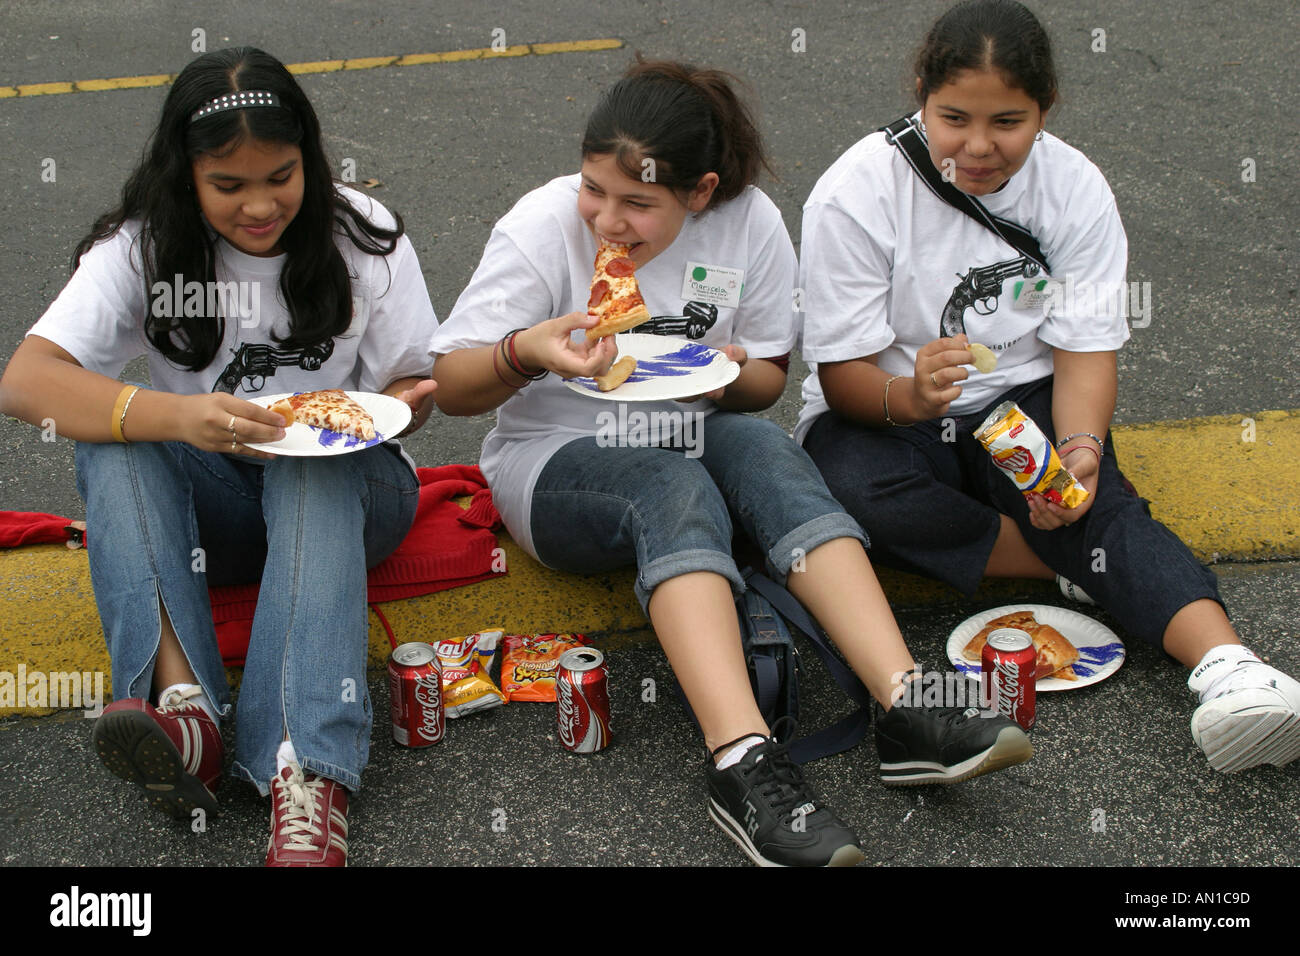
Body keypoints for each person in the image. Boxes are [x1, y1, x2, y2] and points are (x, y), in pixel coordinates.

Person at [430, 57, 1032, 868]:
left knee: (767, 450)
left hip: (685, 426)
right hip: (551, 458)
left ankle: (905, 703)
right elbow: (453, 385)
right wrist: (524, 351)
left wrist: (729, 371)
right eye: (594, 190)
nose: (608, 220)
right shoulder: (543, 226)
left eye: (639, 204)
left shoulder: (749, 225)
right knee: (669, 483)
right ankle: (742, 762)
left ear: (702, 192)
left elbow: (765, 385)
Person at [796, 0, 1300, 774]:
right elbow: (841, 377)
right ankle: (1079, 563)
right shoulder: (855, 192)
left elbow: (1085, 351)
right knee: (850, 484)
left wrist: (1081, 449)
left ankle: (1232, 671)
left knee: (1094, 497)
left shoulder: (1075, 188)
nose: (978, 145)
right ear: (921, 93)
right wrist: (911, 397)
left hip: (1018, 404)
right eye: (953, 116)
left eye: (1008, 121)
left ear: (1045, 111)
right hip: (887, 414)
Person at [0, 47, 439, 865]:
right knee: (117, 439)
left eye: (280, 175)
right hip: (224, 508)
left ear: (308, 155)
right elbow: (25, 380)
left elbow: (412, 377)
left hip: (353, 492)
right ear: (186, 175)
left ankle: (305, 770)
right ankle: (184, 712)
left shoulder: (362, 235)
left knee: (311, 463)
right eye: (229, 187)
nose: (261, 205)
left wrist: (410, 401)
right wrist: (176, 414)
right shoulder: (145, 244)